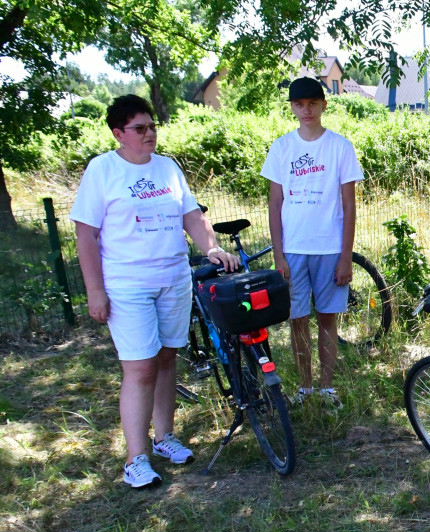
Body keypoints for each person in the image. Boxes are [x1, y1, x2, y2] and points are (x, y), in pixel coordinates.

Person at [72, 95, 240, 489]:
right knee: (140, 366)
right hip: (128, 283)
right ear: (119, 133)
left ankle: (164, 437)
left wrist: (211, 248)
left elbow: (192, 216)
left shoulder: (168, 168)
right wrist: (95, 291)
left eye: (152, 126)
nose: (149, 134)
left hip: (173, 278)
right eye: (140, 128)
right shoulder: (103, 170)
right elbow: (86, 234)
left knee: (166, 359)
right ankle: (136, 458)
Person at [260, 77, 365, 406]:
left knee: (327, 318)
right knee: (297, 319)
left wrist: (345, 257)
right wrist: (279, 256)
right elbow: (275, 204)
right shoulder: (282, 148)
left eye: (312, 103)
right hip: (293, 250)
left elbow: (349, 205)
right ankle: (305, 388)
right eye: (299, 104)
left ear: (324, 105)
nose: (306, 110)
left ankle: (327, 386)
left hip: (330, 248)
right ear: (292, 107)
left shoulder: (339, 146)